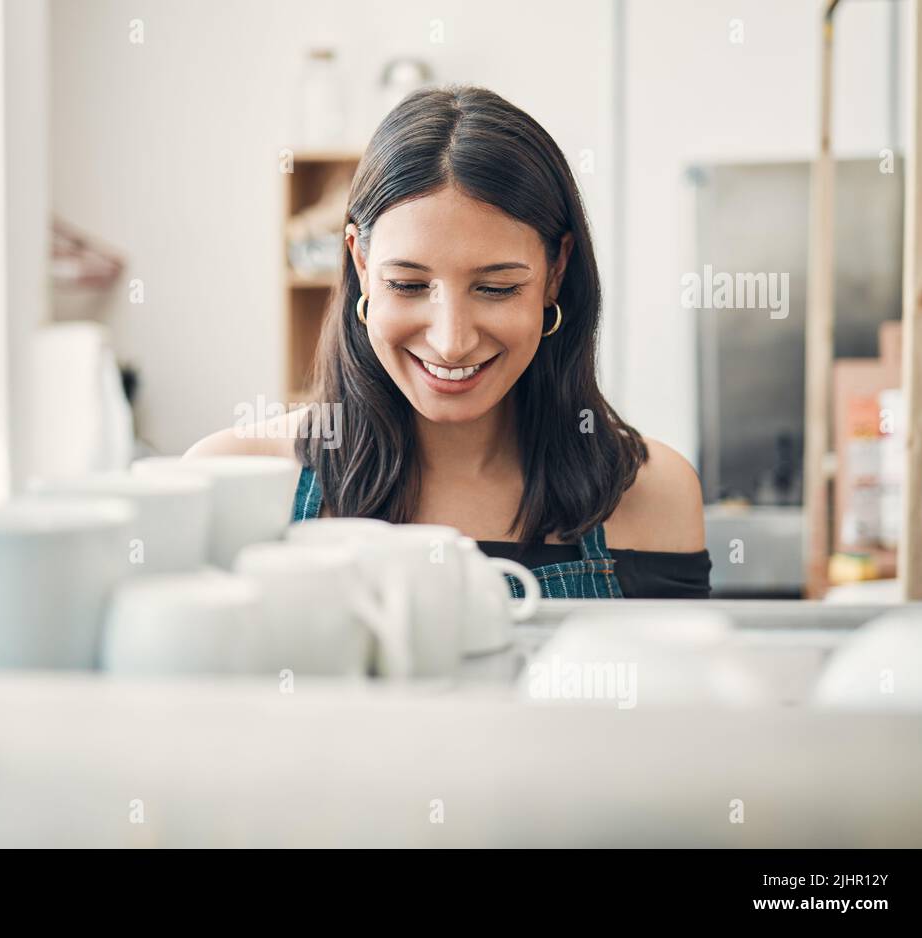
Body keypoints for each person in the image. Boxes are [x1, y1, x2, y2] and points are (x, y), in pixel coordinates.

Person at [188, 85, 709, 599]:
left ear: (556, 273)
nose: (452, 341)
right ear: (361, 265)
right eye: (409, 285)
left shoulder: (654, 493)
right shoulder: (230, 479)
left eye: (496, 288)